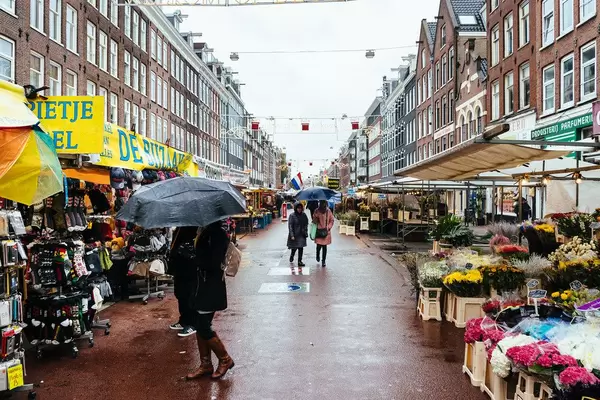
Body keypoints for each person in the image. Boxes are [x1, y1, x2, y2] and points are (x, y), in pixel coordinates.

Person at [182, 222, 234, 380]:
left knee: (203, 325)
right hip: (202, 286)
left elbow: (213, 262)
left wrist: (193, 257)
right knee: (199, 324)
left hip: (210, 287)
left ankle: (225, 359)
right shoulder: (205, 231)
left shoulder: (217, 234)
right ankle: (205, 364)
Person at [168, 227, 198, 337]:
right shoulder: (179, 228)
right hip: (179, 267)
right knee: (181, 294)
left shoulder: (195, 228)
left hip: (190, 267)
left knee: (190, 294)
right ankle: (184, 320)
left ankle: (192, 323)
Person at [312, 200, 335, 267]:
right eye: (322, 203)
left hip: (326, 231)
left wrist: (328, 227)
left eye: (325, 203)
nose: (324, 205)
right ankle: (317, 254)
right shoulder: (317, 210)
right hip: (319, 231)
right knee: (318, 246)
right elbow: (314, 221)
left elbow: (332, 220)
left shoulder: (328, 211)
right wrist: (315, 216)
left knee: (324, 247)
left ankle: (323, 260)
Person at [287, 202, 309, 266]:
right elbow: (290, 226)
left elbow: (306, 223)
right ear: (295, 208)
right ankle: (292, 255)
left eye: (300, 208)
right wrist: (292, 235)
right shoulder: (292, 215)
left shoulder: (304, 215)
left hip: (302, 234)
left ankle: (300, 261)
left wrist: (305, 231)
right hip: (295, 234)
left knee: (301, 247)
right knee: (294, 247)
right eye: (298, 208)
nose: (299, 209)